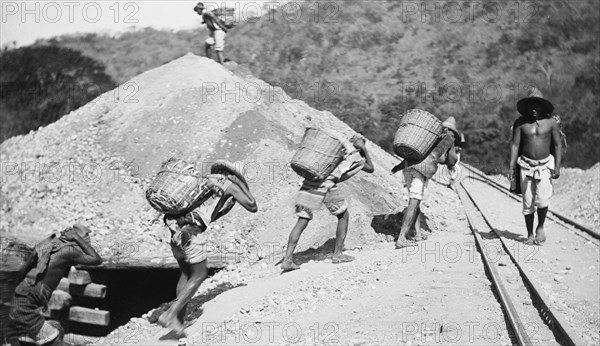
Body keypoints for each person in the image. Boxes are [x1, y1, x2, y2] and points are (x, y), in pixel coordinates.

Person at [158, 162, 257, 336]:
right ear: (234, 175)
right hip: (192, 235)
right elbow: (252, 206)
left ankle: (179, 322)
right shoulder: (229, 185)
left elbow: (209, 212)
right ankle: (171, 314)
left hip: (175, 232)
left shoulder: (204, 182)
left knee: (185, 274)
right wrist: (241, 184)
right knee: (199, 274)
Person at [281, 136, 375, 272]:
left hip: (309, 183)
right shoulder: (354, 159)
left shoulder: (334, 154)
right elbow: (370, 168)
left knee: (302, 220)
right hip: (327, 186)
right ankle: (338, 254)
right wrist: (364, 149)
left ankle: (287, 260)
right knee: (343, 215)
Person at [7, 224, 102, 345]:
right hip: (22, 305)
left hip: (18, 298)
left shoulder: (49, 245)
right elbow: (96, 259)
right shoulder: (69, 250)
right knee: (54, 337)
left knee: (56, 328)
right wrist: (77, 238)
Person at [392, 114, 459, 249]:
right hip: (422, 170)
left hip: (408, 167)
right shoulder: (449, 138)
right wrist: (452, 148)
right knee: (415, 200)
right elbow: (452, 161)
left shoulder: (430, 135)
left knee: (416, 200)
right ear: (453, 130)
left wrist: (397, 168)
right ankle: (401, 238)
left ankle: (417, 233)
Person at [508, 87, 562, 245]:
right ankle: (530, 234)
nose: (533, 109)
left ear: (543, 107)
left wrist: (557, 167)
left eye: (537, 106)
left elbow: (558, 145)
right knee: (528, 201)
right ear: (526, 107)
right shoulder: (521, 124)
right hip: (525, 165)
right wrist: (511, 167)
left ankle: (540, 227)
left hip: (545, 166)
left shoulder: (551, 123)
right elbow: (515, 145)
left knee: (543, 200)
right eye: (531, 106)